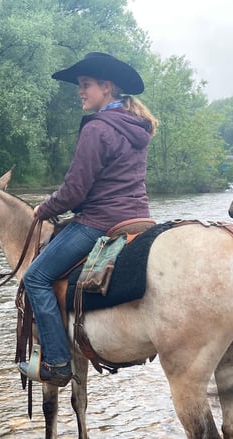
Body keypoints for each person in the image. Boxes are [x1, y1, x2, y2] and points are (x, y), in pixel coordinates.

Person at [17, 52, 159, 386]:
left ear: (106, 87)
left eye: (85, 85)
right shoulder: (135, 125)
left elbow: (75, 192)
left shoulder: (98, 128)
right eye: (79, 86)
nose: (80, 91)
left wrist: (45, 208)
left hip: (100, 220)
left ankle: (56, 362)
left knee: (35, 277)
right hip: (139, 218)